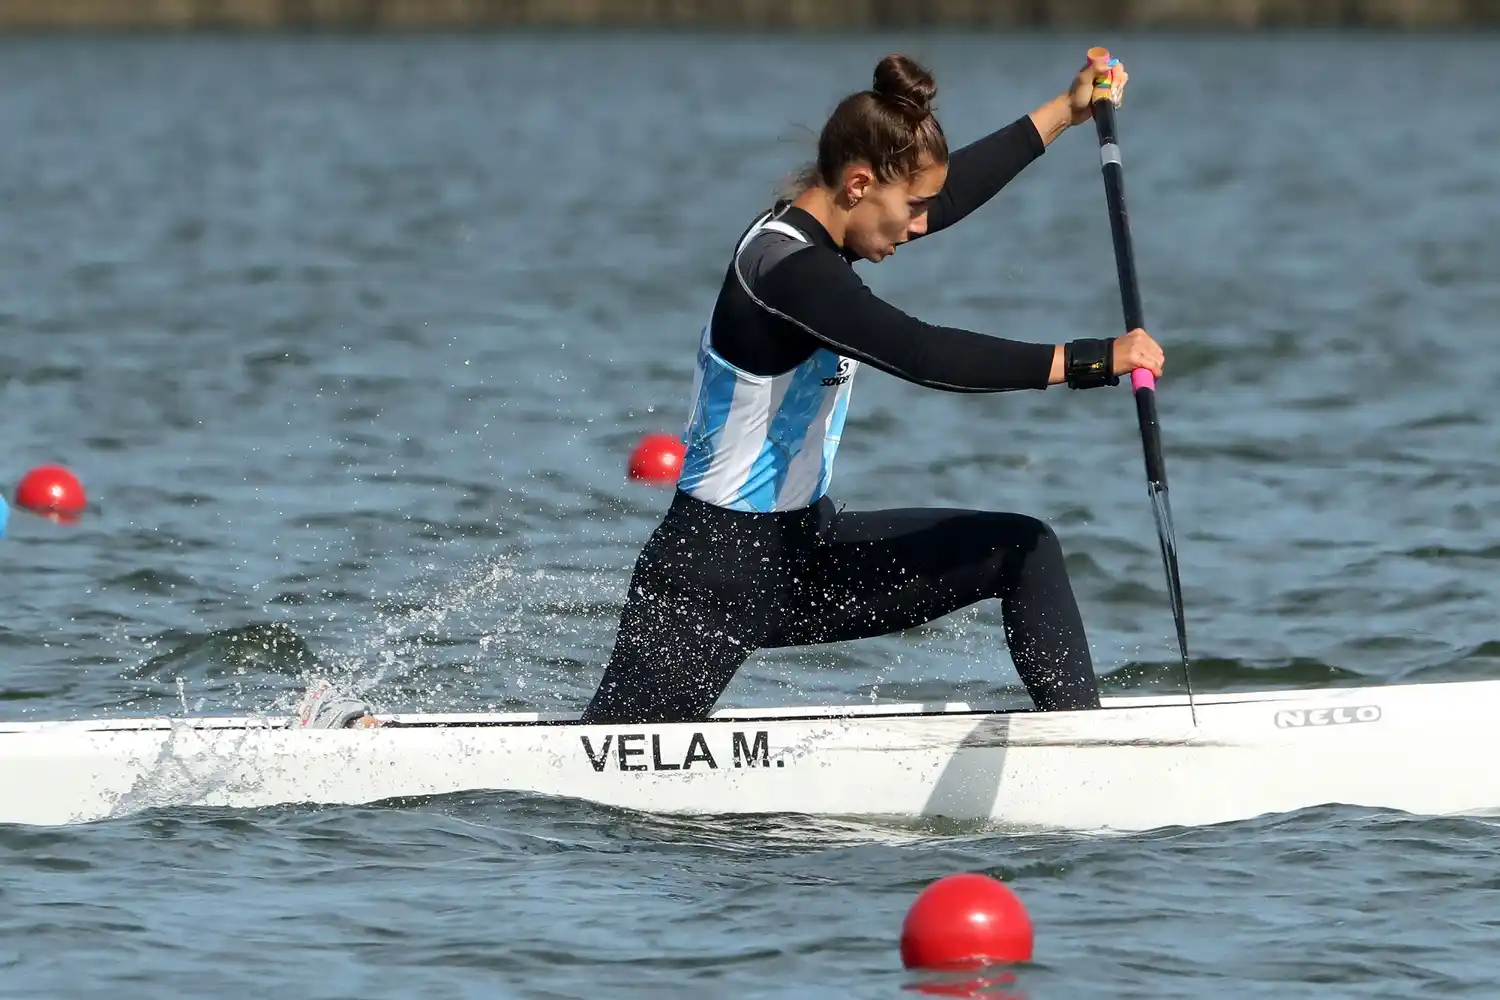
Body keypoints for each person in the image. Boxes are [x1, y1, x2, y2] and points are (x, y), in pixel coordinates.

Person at [290, 49, 1164, 731]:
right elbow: (923, 354)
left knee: (1025, 550)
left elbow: (947, 192)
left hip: (804, 558)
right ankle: (356, 734)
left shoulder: (844, 225)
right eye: (908, 213)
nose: (920, 228)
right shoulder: (786, 272)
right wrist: (1094, 357)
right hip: (709, 577)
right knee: (590, 771)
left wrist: (1068, 105)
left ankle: (1079, 751)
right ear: (859, 186)